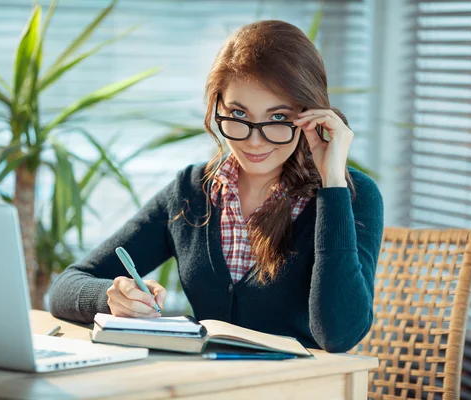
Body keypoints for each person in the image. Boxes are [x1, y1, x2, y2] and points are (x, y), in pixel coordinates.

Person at [49, 20, 384, 353]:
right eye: (238, 114)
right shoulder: (192, 191)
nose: (254, 140)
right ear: (217, 108)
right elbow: (65, 287)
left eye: (278, 118)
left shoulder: (351, 196)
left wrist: (333, 185)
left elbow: (338, 335)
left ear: (310, 114)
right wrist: (114, 296)